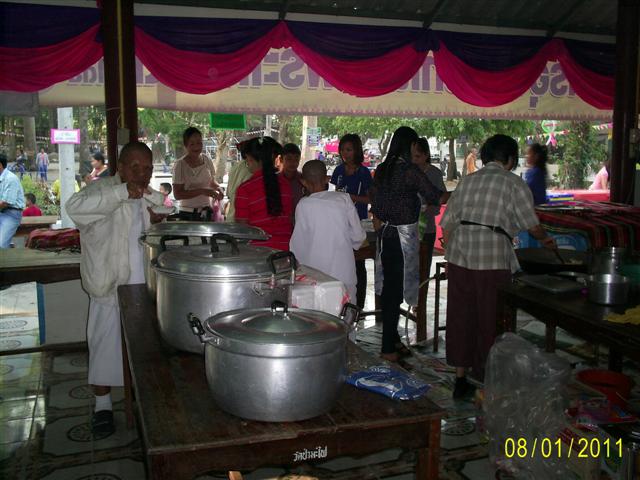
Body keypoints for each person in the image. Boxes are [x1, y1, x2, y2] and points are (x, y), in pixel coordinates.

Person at [441, 134, 557, 398]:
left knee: (461, 316)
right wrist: (546, 239)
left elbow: (448, 224)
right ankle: (485, 379)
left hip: (460, 256)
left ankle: (460, 379)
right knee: (489, 319)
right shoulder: (514, 184)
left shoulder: (467, 181)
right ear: (510, 160)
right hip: (492, 259)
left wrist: (450, 257)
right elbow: (532, 225)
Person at [66, 142, 166, 436]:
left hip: (143, 289)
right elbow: (75, 209)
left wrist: (157, 215)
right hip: (109, 287)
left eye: (147, 168)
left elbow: (159, 212)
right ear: (120, 167)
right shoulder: (100, 190)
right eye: (135, 167)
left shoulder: (146, 194)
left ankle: (142, 401)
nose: (142, 173)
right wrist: (122, 192)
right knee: (104, 347)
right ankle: (103, 406)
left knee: (143, 351)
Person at [370, 127, 441, 367]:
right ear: (407, 145)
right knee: (394, 291)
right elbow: (434, 195)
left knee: (391, 287)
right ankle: (388, 348)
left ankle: (394, 338)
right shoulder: (409, 171)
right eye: (414, 145)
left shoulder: (382, 169)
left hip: (386, 234)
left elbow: (375, 202)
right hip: (403, 237)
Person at [290, 160, 366, 303]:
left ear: (304, 182)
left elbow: (297, 246)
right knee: (345, 319)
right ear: (327, 179)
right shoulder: (344, 199)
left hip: (315, 278)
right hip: (344, 274)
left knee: (319, 320)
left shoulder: (303, 205)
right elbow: (358, 236)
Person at [330, 134, 372, 309]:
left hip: (358, 222)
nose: (345, 153)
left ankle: (358, 305)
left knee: (358, 263)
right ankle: (341, 301)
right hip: (339, 223)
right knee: (340, 261)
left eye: (349, 149)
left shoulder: (364, 172)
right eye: (342, 150)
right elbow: (331, 193)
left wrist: (348, 197)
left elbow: (370, 199)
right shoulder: (338, 171)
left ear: (356, 151)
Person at [235, 137, 293, 251]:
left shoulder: (245, 189)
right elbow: (289, 219)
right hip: (286, 251)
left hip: (257, 254)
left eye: (247, 160)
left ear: (251, 159)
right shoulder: (286, 185)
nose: (247, 163)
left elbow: (243, 228)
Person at [411, 138, 448, 284]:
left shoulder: (434, 173)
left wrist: (427, 209)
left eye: (417, 156)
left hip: (427, 227)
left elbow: (441, 198)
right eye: (412, 156)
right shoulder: (407, 172)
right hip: (408, 227)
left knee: (424, 267)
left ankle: (420, 303)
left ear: (426, 155)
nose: (414, 160)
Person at [172, 127, 223, 221]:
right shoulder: (180, 165)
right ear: (185, 145)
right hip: (188, 213)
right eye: (192, 144)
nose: (196, 147)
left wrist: (219, 188)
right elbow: (177, 194)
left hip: (206, 211)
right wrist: (202, 191)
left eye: (199, 143)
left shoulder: (207, 160)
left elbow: (211, 182)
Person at [0, 153, 26, 248]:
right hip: (1, 212)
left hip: (11, 214)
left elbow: (5, 202)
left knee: (1, 246)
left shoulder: (10, 179)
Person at [280, 143, 304, 213]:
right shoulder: (274, 180)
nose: (293, 162)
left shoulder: (304, 180)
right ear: (281, 159)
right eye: (289, 159)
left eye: (296, 159)